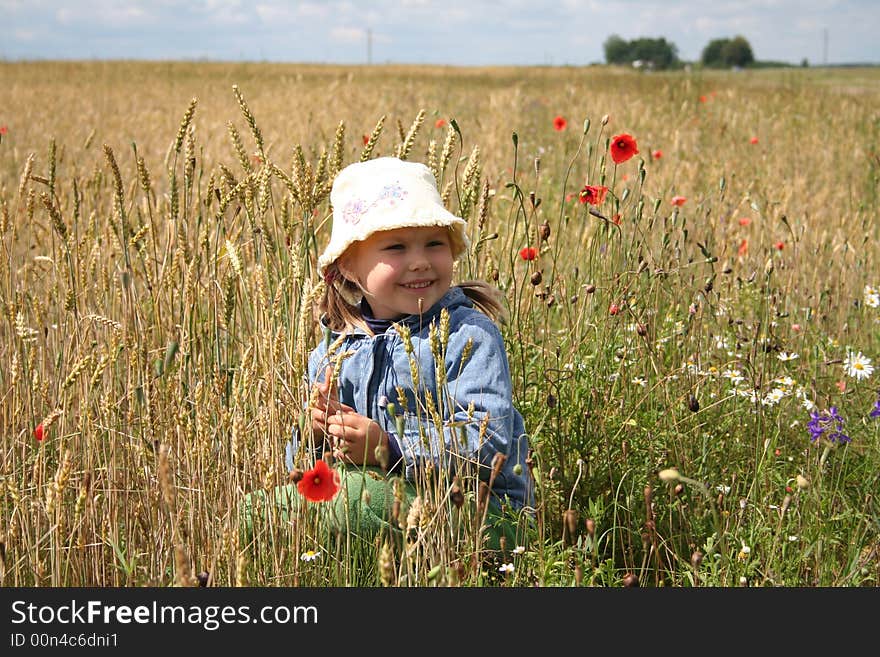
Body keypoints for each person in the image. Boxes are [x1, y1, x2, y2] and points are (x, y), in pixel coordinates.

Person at [244, 156, 533, 553]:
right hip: (374, 497)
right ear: (348, 265)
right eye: (396, 247)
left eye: (434, 243)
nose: (419, 261)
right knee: (254, 513)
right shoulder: (334, 350)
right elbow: (301, 466)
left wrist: (391, 448)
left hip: (478, 513)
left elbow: (490, 439)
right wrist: (313, 437)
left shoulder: (469, 335)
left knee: (354, 506)